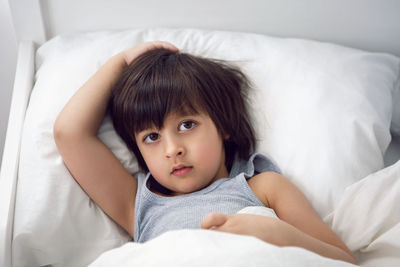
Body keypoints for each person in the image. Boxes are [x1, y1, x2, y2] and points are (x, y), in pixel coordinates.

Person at [54, 41, 357, 264]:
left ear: (223, 125)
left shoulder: (264, 188)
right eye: (151, 137)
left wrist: (280, 236)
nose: (173, 149)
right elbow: (69, 133)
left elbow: (344, 261)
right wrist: (119, 62)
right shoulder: (138, 206)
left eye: (187, 125)